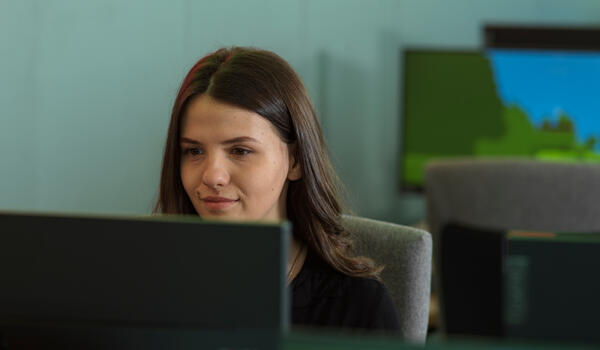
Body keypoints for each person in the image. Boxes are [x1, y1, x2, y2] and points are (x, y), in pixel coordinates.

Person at [154, 47, 399, 331]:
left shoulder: (357, 308)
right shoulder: (144, 289)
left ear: (295, 160)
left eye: (240, 151)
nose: (213, 176)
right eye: (194, 151)